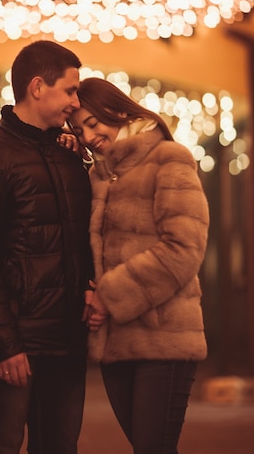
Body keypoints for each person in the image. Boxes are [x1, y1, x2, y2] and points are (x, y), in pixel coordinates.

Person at [0, 41, 93, 454]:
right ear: (37, 87)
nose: (76, 101)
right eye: (70, 90)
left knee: (60, 446)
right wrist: (5, 345)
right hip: (16, 343)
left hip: (66, 339)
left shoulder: (71, 155)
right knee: (1, 444)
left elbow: (90, 235)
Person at [68, 76, 209, 454]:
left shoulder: (169, 158)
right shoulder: (99, 174)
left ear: (116, 110)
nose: (88, 135)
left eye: (92, 123)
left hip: (165, 340)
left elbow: (184, 247)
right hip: (116, 342)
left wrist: (109, 296)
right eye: (78, 129)